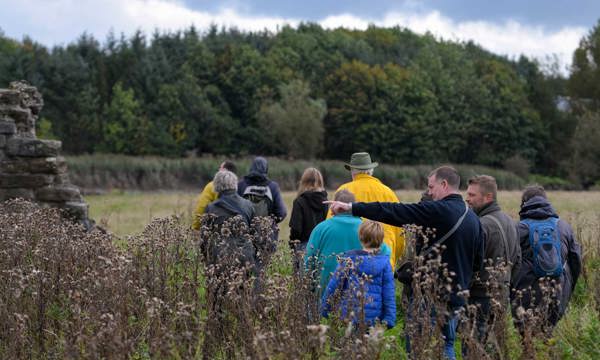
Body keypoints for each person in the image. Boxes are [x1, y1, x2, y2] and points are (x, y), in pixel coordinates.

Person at [327, 165, 484, 360]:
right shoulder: (474, 219)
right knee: (446, 346)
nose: (429, 192)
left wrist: (352, 207)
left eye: (431, 187)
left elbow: (395, 211)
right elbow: (478, 263)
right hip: (456, 298)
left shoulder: (439, 210)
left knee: (417, 350)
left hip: (429, 298)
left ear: (444, 184)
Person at [511, 185, 582, 334]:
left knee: (526, 338)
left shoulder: (518, 228)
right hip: (557, 290)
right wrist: (568, 290)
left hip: (524, 294)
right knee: (547, 335)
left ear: (524, 203)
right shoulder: (564, 227)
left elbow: (508, 262)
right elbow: (576, 262)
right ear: (546, 201)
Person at [465, 175, 521, 347]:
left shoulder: (480, 224)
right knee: (495, 348)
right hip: (502, 296)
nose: (467, 199)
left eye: (472, 195)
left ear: (488, 197)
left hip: (480, 297)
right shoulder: (510, 222)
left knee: (474, 349)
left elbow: (469, 262)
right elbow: (517, 260)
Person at [305, 189, 391, 294]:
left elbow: (309, 259)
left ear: (334, 205)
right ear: (353, 205)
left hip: (325, 292)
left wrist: (309, 288)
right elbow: (385, 252)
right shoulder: (366, 228)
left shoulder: (321, 228)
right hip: (359, 294)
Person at [329, 152, 405, 270]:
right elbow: (400, 232)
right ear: (371, 170)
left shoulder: (343, 190)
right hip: (384, 259)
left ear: (352, 171)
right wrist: (394, 257)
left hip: (349, 263)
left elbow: (331, 225)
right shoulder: (388, 192)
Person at [321, 220, 396, 330]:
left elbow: (333, 286)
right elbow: (389, 293)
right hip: (373, 318)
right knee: (368, 346)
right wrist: (389, 319)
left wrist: (325, 308)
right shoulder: (385, 264)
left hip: (348, 314)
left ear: (361, 237)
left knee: (347, 344)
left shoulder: (348, 260)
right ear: (381, 240)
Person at [289, 168, 328, 270]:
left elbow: (296, 228)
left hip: (303, 246)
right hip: (321, 246)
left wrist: (292, 245)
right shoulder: (326, 202)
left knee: (301, 281)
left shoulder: (299, 201)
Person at [238, 157, 287, 238]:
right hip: (267, 235)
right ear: (266, 169)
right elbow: (282, 213)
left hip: (244, 234)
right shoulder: (273, 187)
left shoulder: (241, 185)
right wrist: (270, 223)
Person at [191, 160, 237, 230]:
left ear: (224, 170)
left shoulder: (211, 186)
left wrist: (196, 227)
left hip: (216, 228)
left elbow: (202, 207)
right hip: (236, 229)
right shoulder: (240, 185)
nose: (218, 170)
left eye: (220, 168)